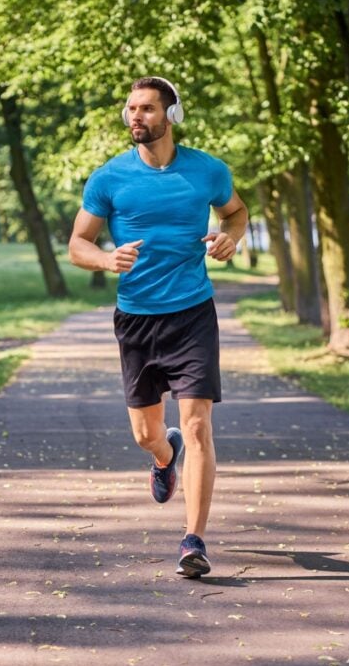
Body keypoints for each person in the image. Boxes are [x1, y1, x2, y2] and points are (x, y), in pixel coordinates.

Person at [68, 76, 248, 578]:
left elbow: (236, 212)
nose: (135, 117)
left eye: (146, 108)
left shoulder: (207, 170)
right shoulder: (109, 177)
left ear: (171, 114)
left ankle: (194, 540)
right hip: (136, 318)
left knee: (198, 426)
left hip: (192, 312)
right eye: (130, 109)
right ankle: (163, 457)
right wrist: (106, 260)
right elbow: (78, 243)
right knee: (147, 434)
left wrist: (230, 237)